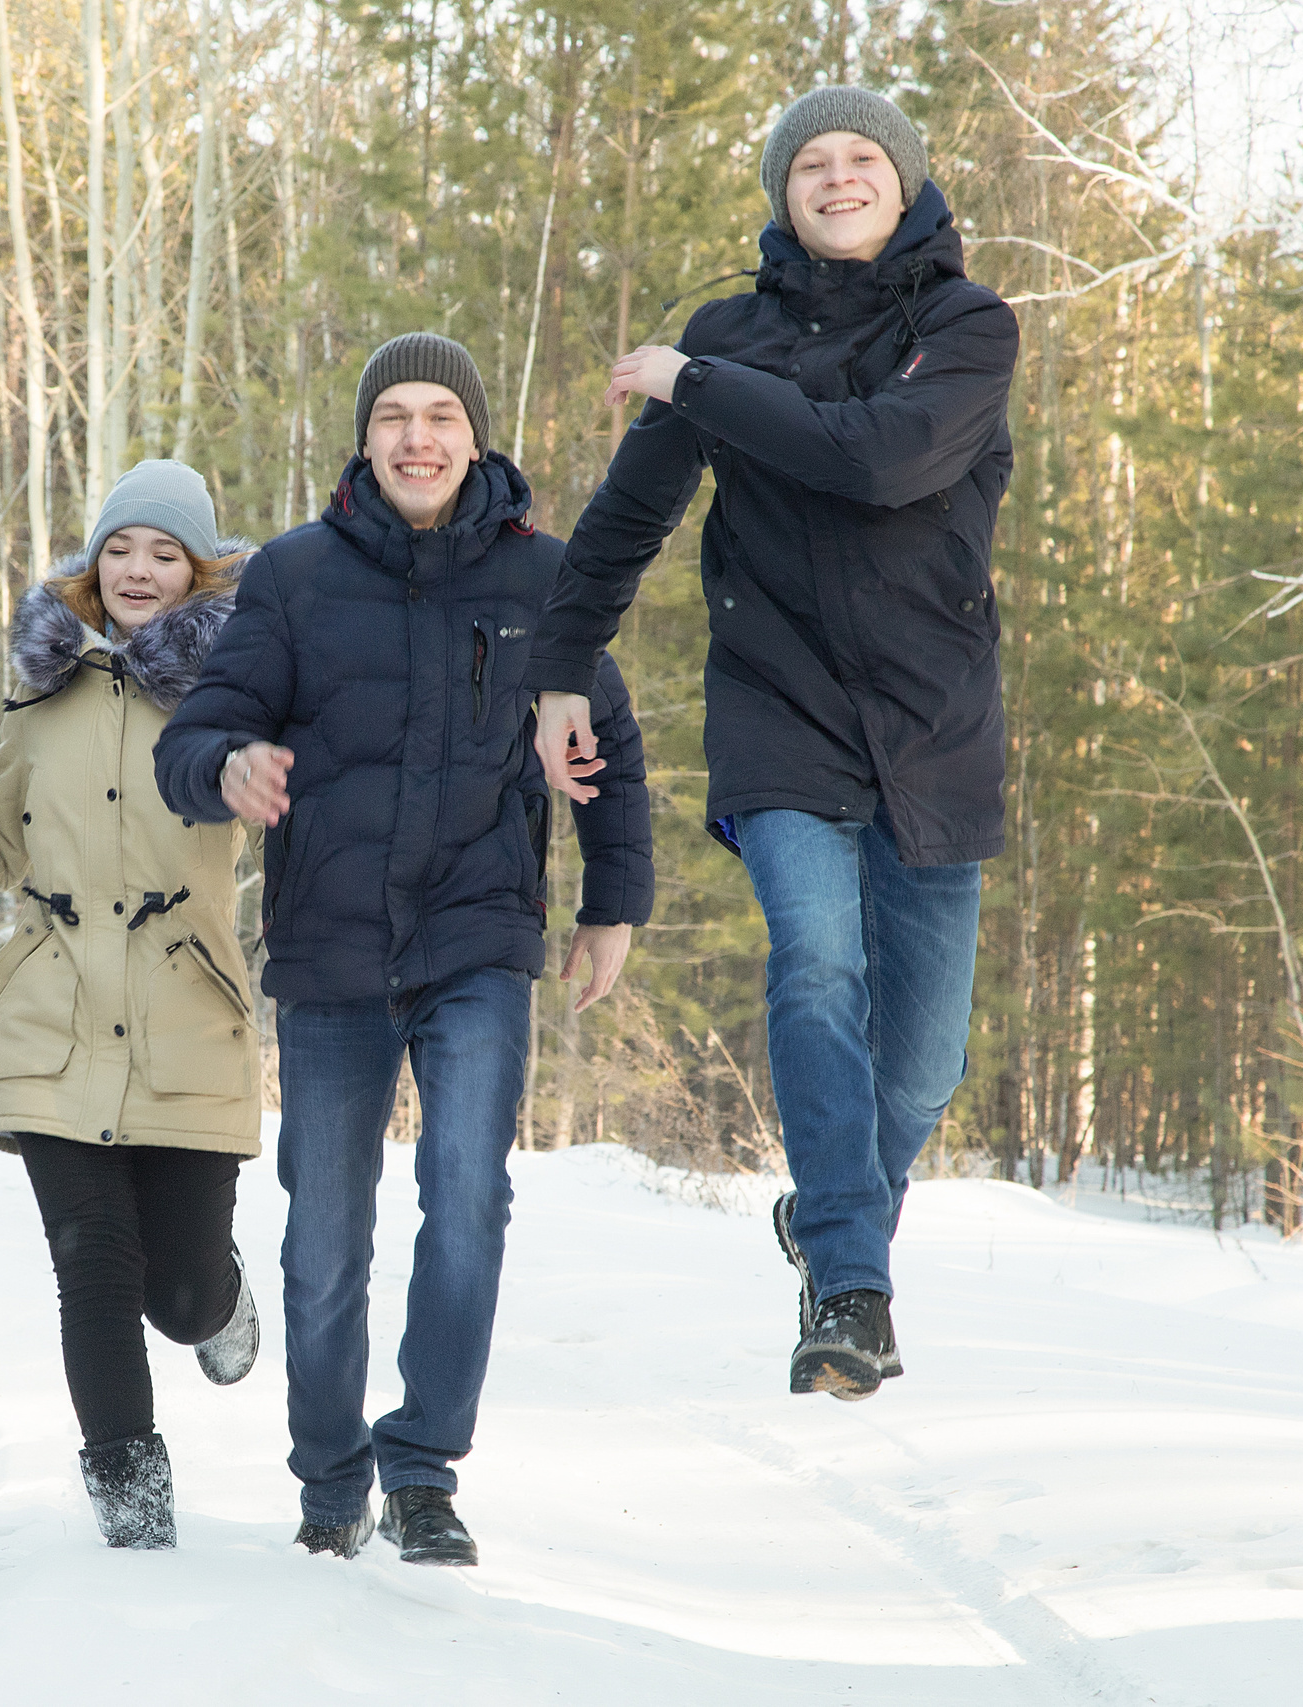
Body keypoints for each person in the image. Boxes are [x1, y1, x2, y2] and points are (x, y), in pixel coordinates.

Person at [529, 88, 1018, 1401]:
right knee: (816, 964)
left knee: (924, 1066)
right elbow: (627, 516)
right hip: (778, 705)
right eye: (812, 162)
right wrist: (558, 671)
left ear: (904, 183)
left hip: (934, 724)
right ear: (782, 192)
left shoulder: (967, 329)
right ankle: (852, 1289)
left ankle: (827, 1213)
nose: (838, 176)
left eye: (862, 158)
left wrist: (695, 383)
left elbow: (881, 461)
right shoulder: (732, 332)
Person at [156, 335, 656, 1566]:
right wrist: (228, 764)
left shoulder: (546, 578)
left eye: (440, 415)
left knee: (468, 1198)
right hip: (328, 948)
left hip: (478, 934)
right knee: (324, 1238)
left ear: (474, 439)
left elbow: (608, 744)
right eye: (394, 415)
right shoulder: (293, 576)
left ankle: (423, 1470)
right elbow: (196, 736)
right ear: (365, 438)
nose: (417, 437)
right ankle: (331, 1481)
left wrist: (610, 906)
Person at [0, 460, 262, 1551]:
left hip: (183, 1012)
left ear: (198, 571)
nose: (139, 569)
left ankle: (222, 1299)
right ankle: (132, 1511)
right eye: (121, 549)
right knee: (93, 1263)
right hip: (50, 1015)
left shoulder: (239, 688)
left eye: (165, 552)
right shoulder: (42, 688)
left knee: (179, 1294)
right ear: (95, 564)